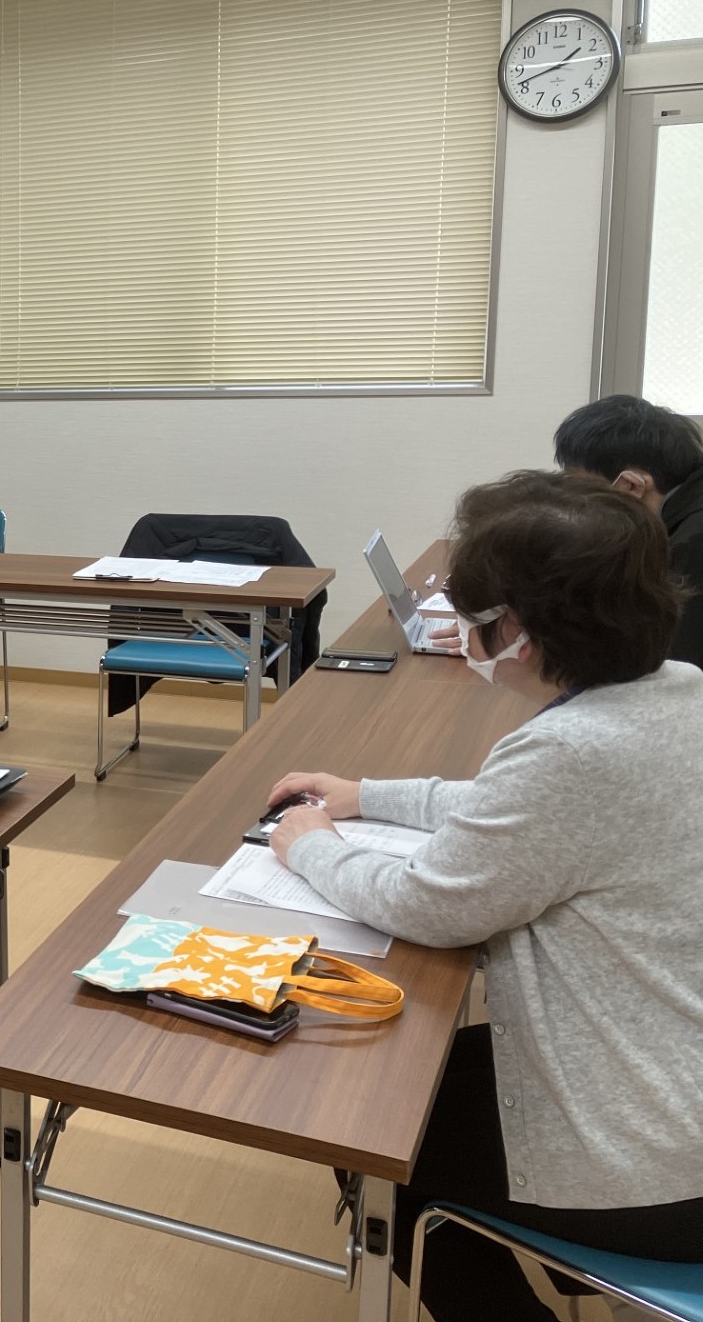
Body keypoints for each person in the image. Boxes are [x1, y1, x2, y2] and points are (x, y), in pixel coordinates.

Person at [264, 470, 703, 1322]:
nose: (461, 633)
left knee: (368, 1131)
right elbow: (525, 813)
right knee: (406, 1080)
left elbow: (428, 906)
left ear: (521, 633)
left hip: (657, 1164)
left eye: (470, 617)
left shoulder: (569, 753)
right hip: (675, 1085)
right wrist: (367, 795)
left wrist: (310, 845)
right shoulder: (676, 688)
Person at [554, 392, 703, 667]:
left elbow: (672, 663)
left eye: (586, 493)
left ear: (632, 485)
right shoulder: (682, 510)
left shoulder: (693, 543)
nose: (583, 506)